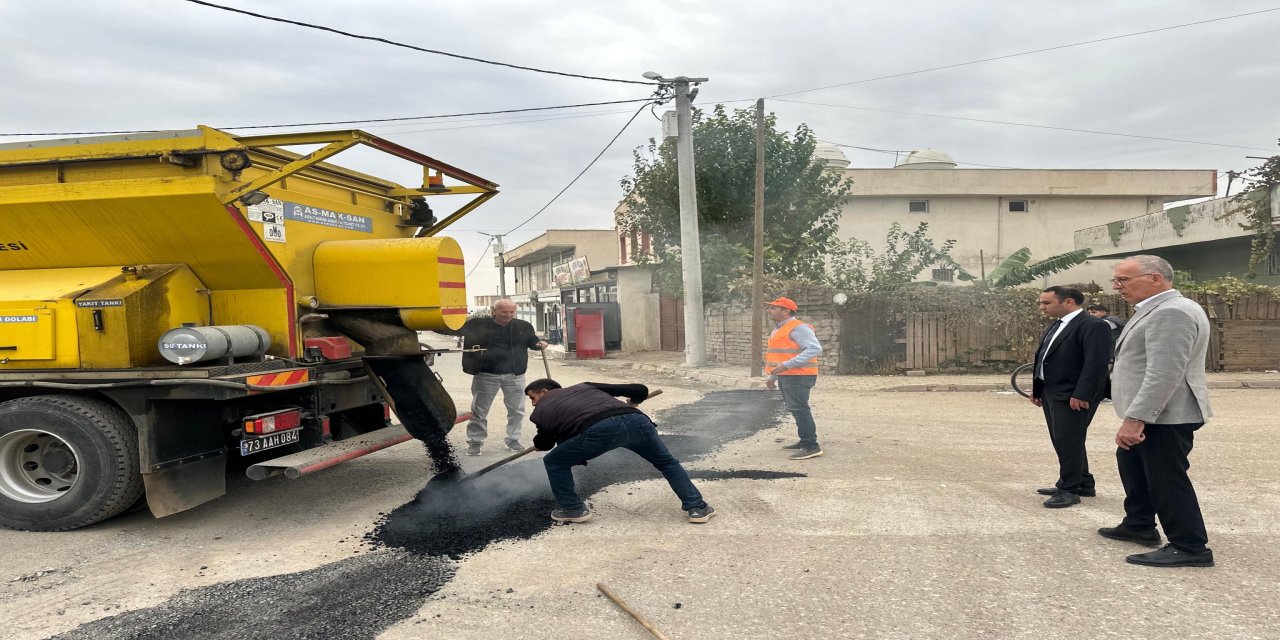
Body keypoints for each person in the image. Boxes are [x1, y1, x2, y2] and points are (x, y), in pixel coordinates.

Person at [1102, 255, 1214, 568]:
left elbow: (1164, 373)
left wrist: (1136, 419)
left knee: (1166, 478)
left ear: (1155, 278)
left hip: (1164, 415)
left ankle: (1190, 546)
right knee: (1134, 466)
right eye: (1116, 280)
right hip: (1153, 413)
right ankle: (1139, 523)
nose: (1117, 286)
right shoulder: (1155, 309)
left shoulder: (1172, 312)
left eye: (1123, 279)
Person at [525, 378, 715, 524]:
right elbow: (639, 389)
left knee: (554, 461)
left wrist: (540, 444)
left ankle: (573, 509)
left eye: (532, 398)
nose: (533, 404)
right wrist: (634, 401)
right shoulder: (585, 386)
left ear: (544, 391)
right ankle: (697, 508)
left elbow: (545, 443)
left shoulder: (540, 412)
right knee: (666, 463)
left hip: (600, 431)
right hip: (637, 421)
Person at [1029, 286, 1113, 508]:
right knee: (1065, 439)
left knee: (1068, 440)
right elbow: (1045, 357)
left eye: (1046, 303)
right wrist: (1037, 389)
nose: (1042, 307)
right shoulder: (1058, 323)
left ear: (1068, 302)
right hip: (1052, 390)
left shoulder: (1093, 326)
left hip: (1073, 394)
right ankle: (1083, 482)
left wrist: (1082, 393)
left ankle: (1069, 489)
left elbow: (1096, 363)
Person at [443, 300, 547, 456]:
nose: (508, 315)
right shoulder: (478, 324)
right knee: (479, 410)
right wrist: (429, 322)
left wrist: (539, 343)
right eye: (504, 312)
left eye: (511, 312)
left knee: (517, 410)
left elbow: (531, 340)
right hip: (486, 374)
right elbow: (454, 329)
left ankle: (513, 439)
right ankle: (475, 442)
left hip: (515, 375)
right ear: (494, 311)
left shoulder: (523, 326)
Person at [763, 297, 824, 460]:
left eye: (774, 308)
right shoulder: (779, 328)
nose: (769, 311)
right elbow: (780, 354)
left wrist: (786, 365)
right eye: (770, 308)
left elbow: (814, 348)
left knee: (800, 409)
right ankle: (805, 441)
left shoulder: (798, 328)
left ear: (786, 311)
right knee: (795, 408)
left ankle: (811, 446)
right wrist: (774, 375)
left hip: (799, 375)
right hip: (788, 375)